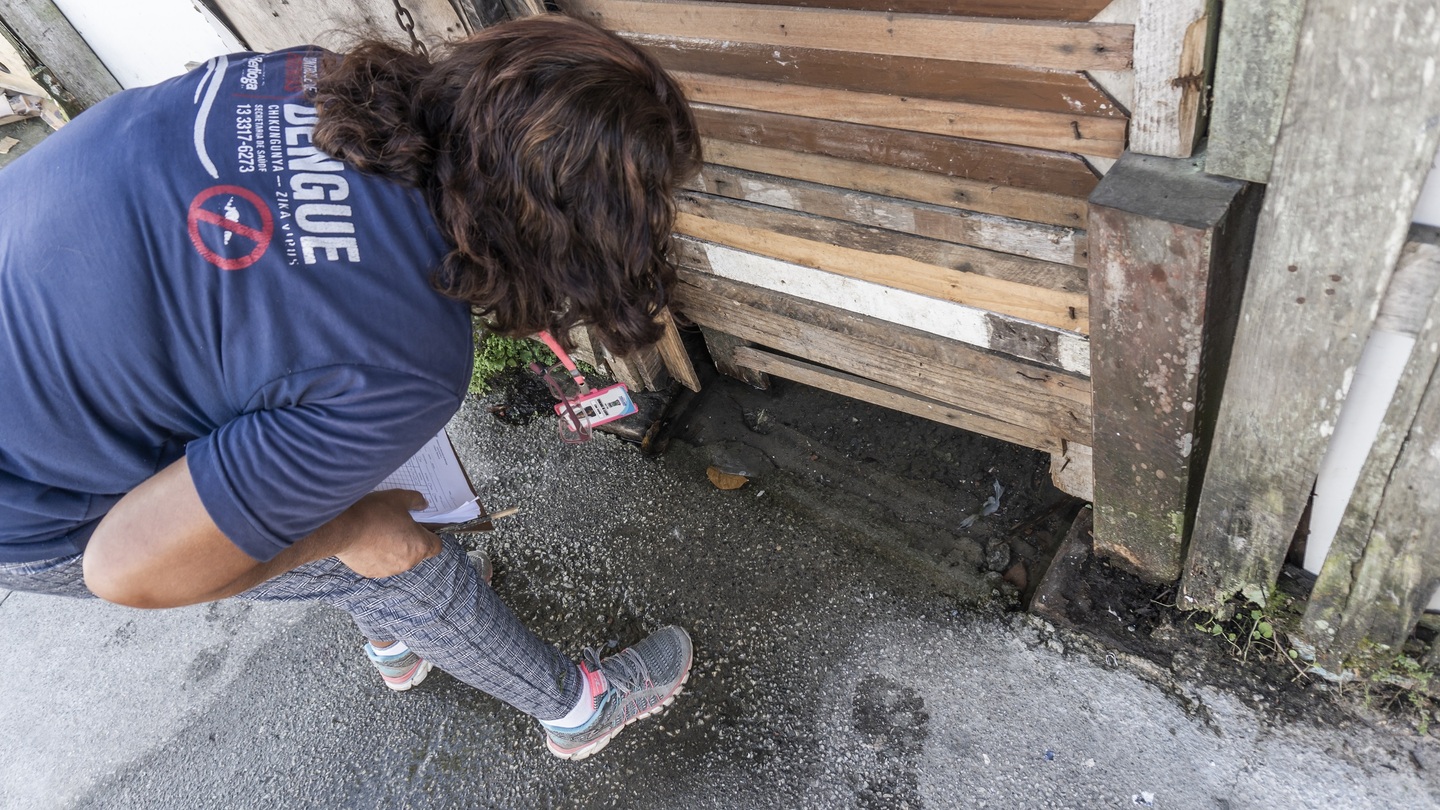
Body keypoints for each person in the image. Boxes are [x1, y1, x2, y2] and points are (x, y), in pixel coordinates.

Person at [0, 14, 702, 760]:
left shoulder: (309, 78)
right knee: (387, 556)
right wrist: (353, 528)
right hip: (37, 504)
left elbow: (275, 300)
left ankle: (399, 644)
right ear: (572, 236)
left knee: (314, 467)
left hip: (53, 353)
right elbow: (125, 567)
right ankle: (578, 711)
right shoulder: (407, 359)